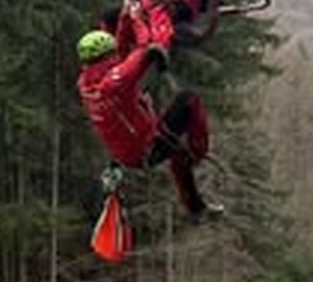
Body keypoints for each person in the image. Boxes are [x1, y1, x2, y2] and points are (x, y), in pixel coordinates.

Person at [76, 29, 222, 220]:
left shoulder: (86, 84)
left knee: (178, 155)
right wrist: (148, 46)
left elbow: (124, 68)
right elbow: (135, 60)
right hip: (146, 149)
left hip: (129, 152)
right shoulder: (113, 83)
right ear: (108, 56)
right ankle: (198, 153)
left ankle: (196, 208)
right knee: (189, 100)